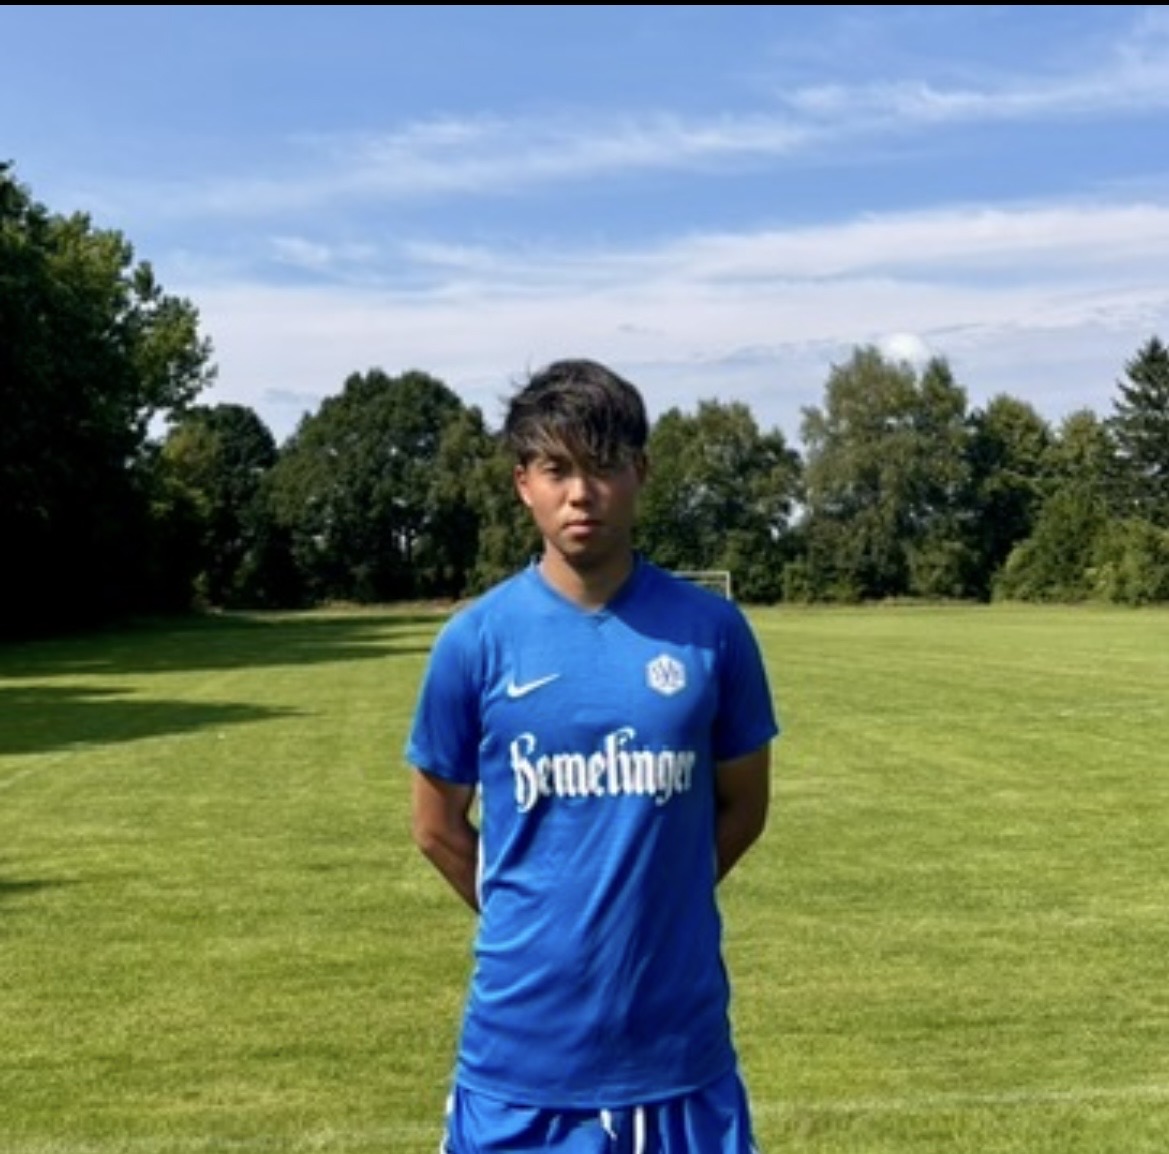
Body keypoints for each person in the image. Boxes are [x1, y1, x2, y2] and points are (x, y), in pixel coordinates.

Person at [405, 357, 780, 1154]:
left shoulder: (713, 633)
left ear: (640, 472)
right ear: (523, 484)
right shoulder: (474, 641)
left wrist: (658, 899)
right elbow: (436, 826)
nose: (581, 493)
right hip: (519, 1061)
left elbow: (745, 806)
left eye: (603, 466)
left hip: (678, 1058)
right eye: (557, 469)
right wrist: (537, 919)